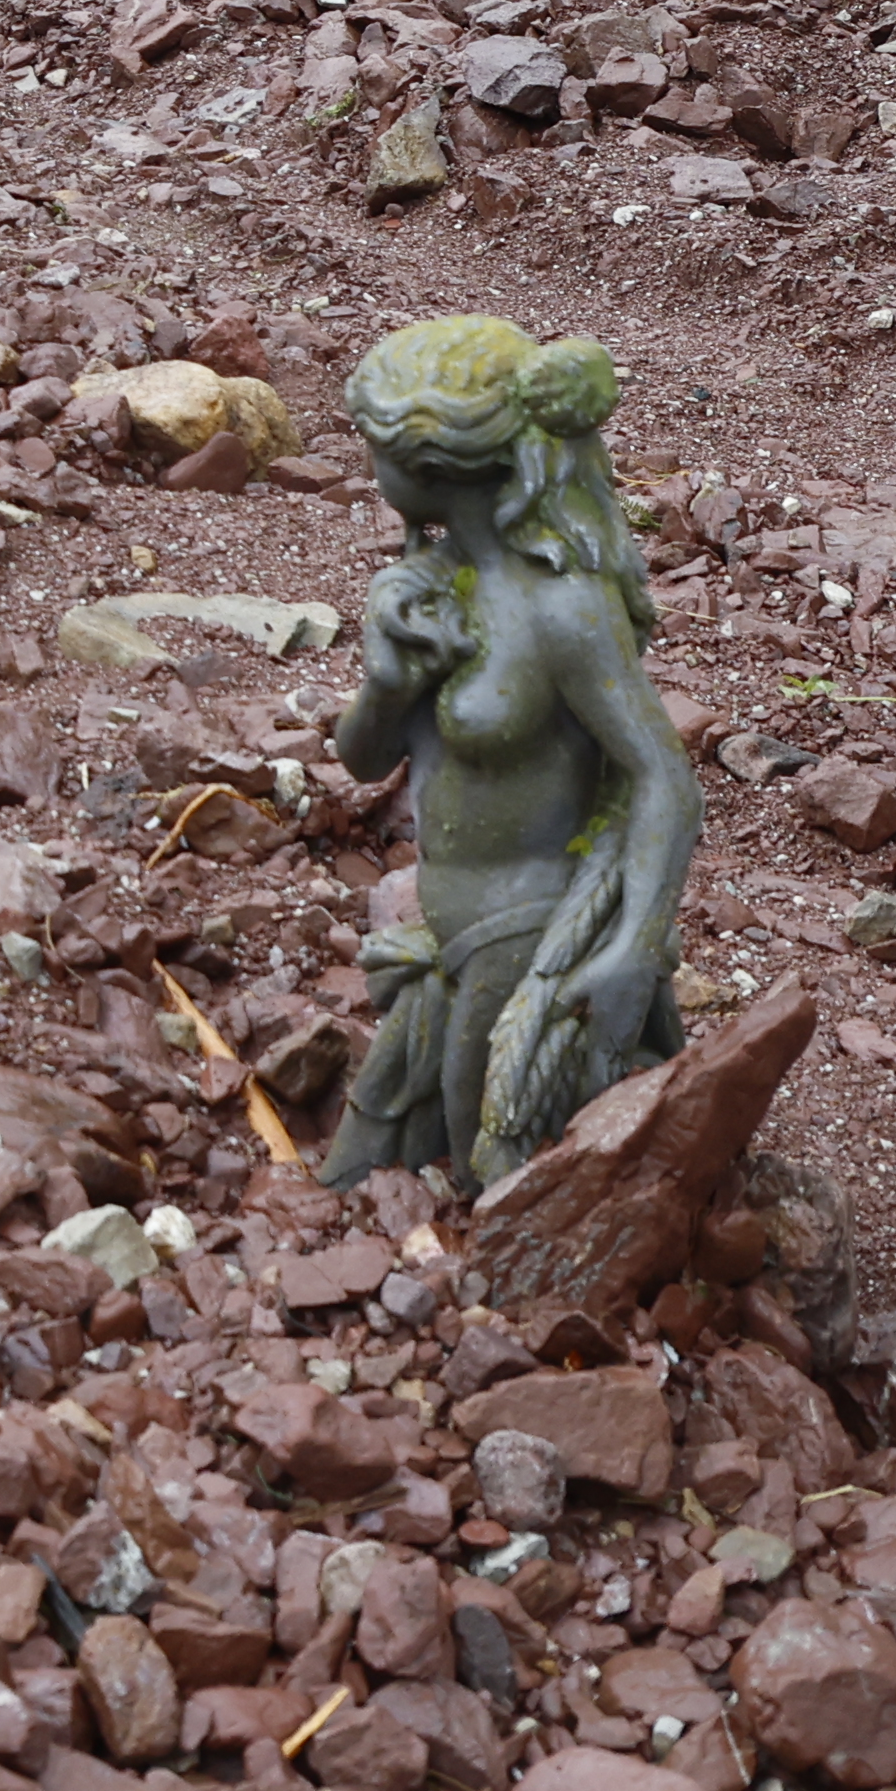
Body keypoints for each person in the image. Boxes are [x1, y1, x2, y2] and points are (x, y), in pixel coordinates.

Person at [314, 314, 706, 1192]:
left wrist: (631, 951)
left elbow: (664, 781)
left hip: (528, 937)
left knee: (500, 1167)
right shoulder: (428, 588)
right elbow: (364, 761)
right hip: (450, 938)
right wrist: (384, 679)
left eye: (370, 446)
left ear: (426, 465)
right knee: (362, 1168)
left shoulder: (562, 608)